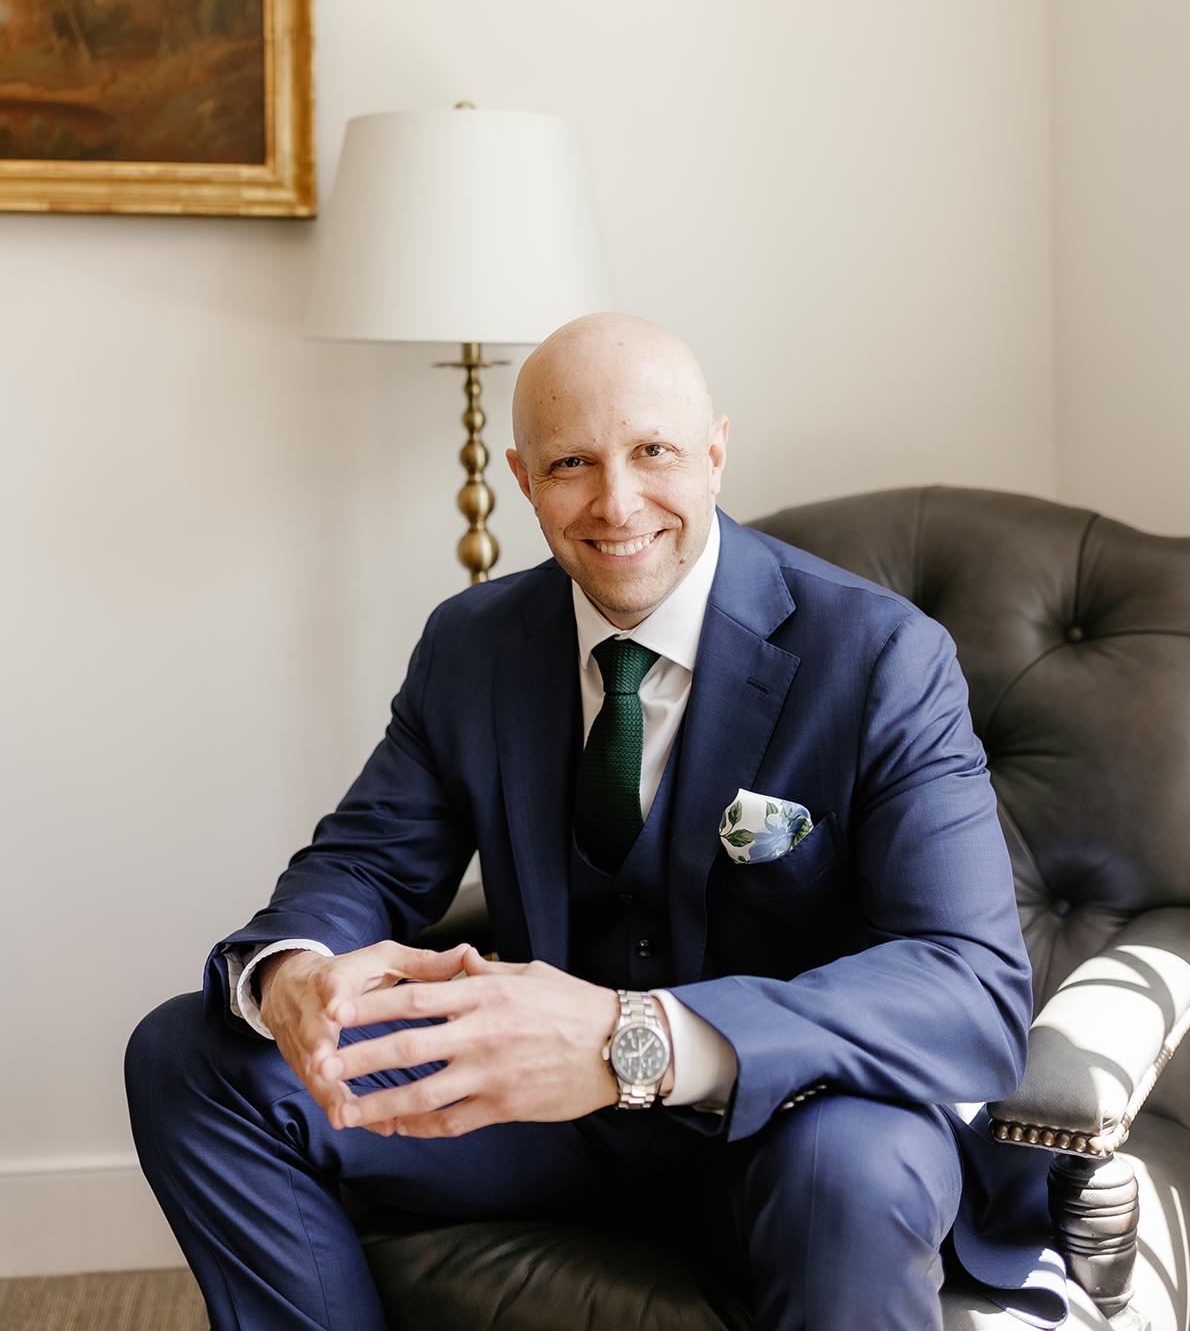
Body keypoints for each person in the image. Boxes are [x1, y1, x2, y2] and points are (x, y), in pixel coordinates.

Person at [126, 313, 1064, 1330]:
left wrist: (639, 1038)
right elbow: (367, 859)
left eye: (653, 452)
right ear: (525, 482)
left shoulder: (882, 657)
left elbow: (970, 985)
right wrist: (297, 970)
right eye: (573, 462)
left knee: (858, 1168)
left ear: (714, 454)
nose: (618, 503)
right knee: (192, 1054)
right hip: (536, 1121)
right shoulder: (471, 643)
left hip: (787, 1122)